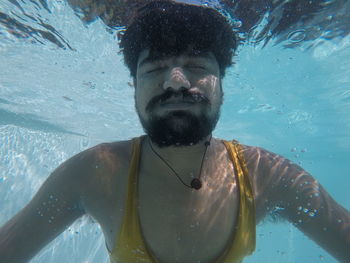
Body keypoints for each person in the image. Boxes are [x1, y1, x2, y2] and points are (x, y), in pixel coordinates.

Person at [0, 1, 349, 263]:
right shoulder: (93, 174)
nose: (176, 82)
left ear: (222, 87)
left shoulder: (269, 176)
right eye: (154, 69)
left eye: (196, 66)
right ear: (134, 87)